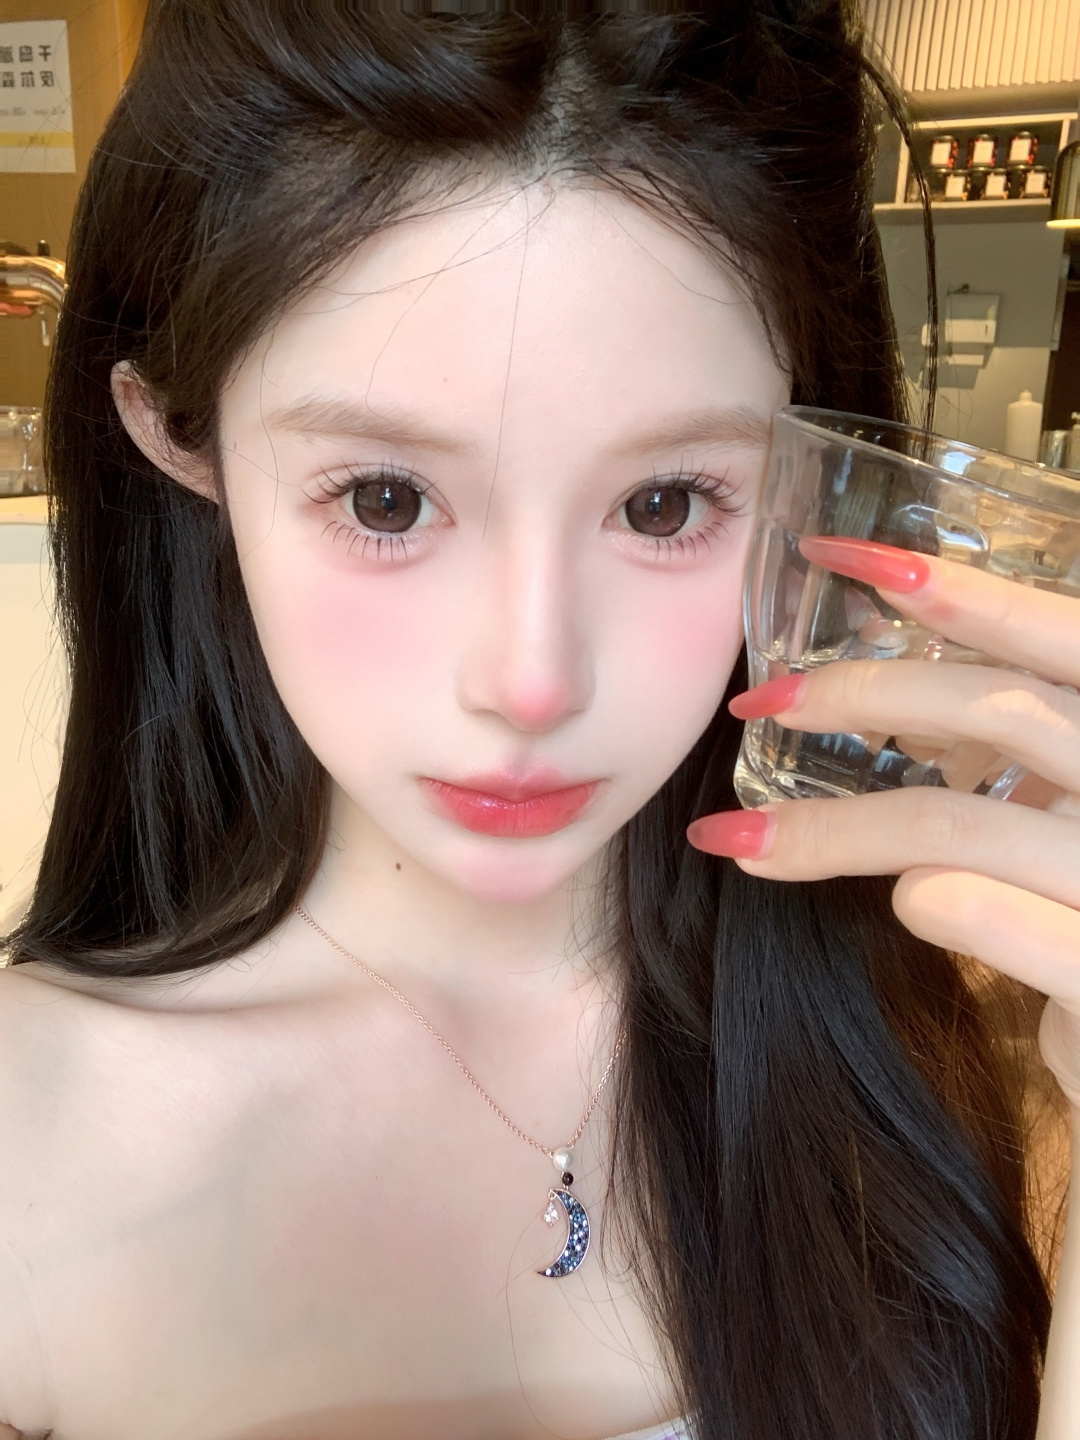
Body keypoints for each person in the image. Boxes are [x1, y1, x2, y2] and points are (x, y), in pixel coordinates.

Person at [0, 1, 1076, 1436]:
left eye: (665, 505)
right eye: (386, 499)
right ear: (176, 439)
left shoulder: (957, 1048)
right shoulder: (29, 1138)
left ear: (810, 472)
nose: (531, 680)